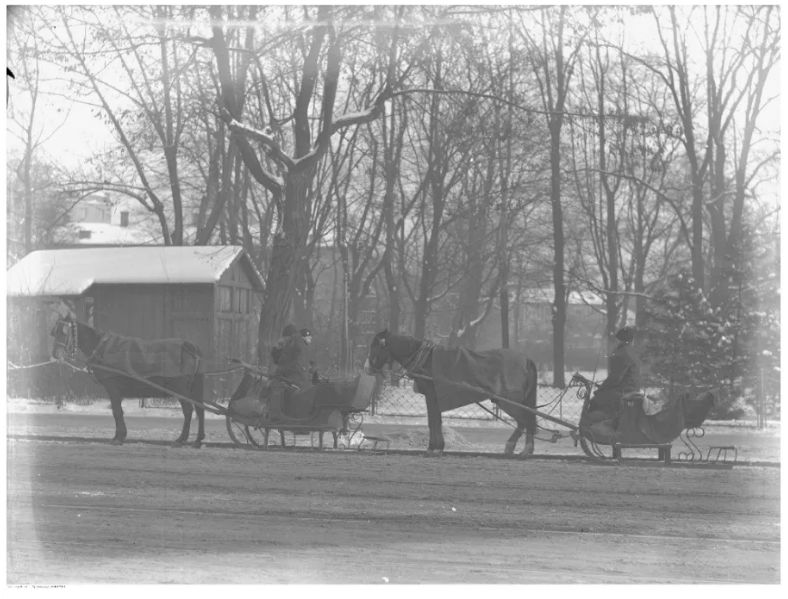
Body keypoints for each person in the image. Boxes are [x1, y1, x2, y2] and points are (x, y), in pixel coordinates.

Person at [585, 325, 642, 427]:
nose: (614, 342)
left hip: (624, 390)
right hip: (632, 388)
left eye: (616, 339)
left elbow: (615, 378)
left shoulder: (622, 353)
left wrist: (601, 389)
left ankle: (595, 428)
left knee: (595, 401)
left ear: (621, 340)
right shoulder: (630, 351)